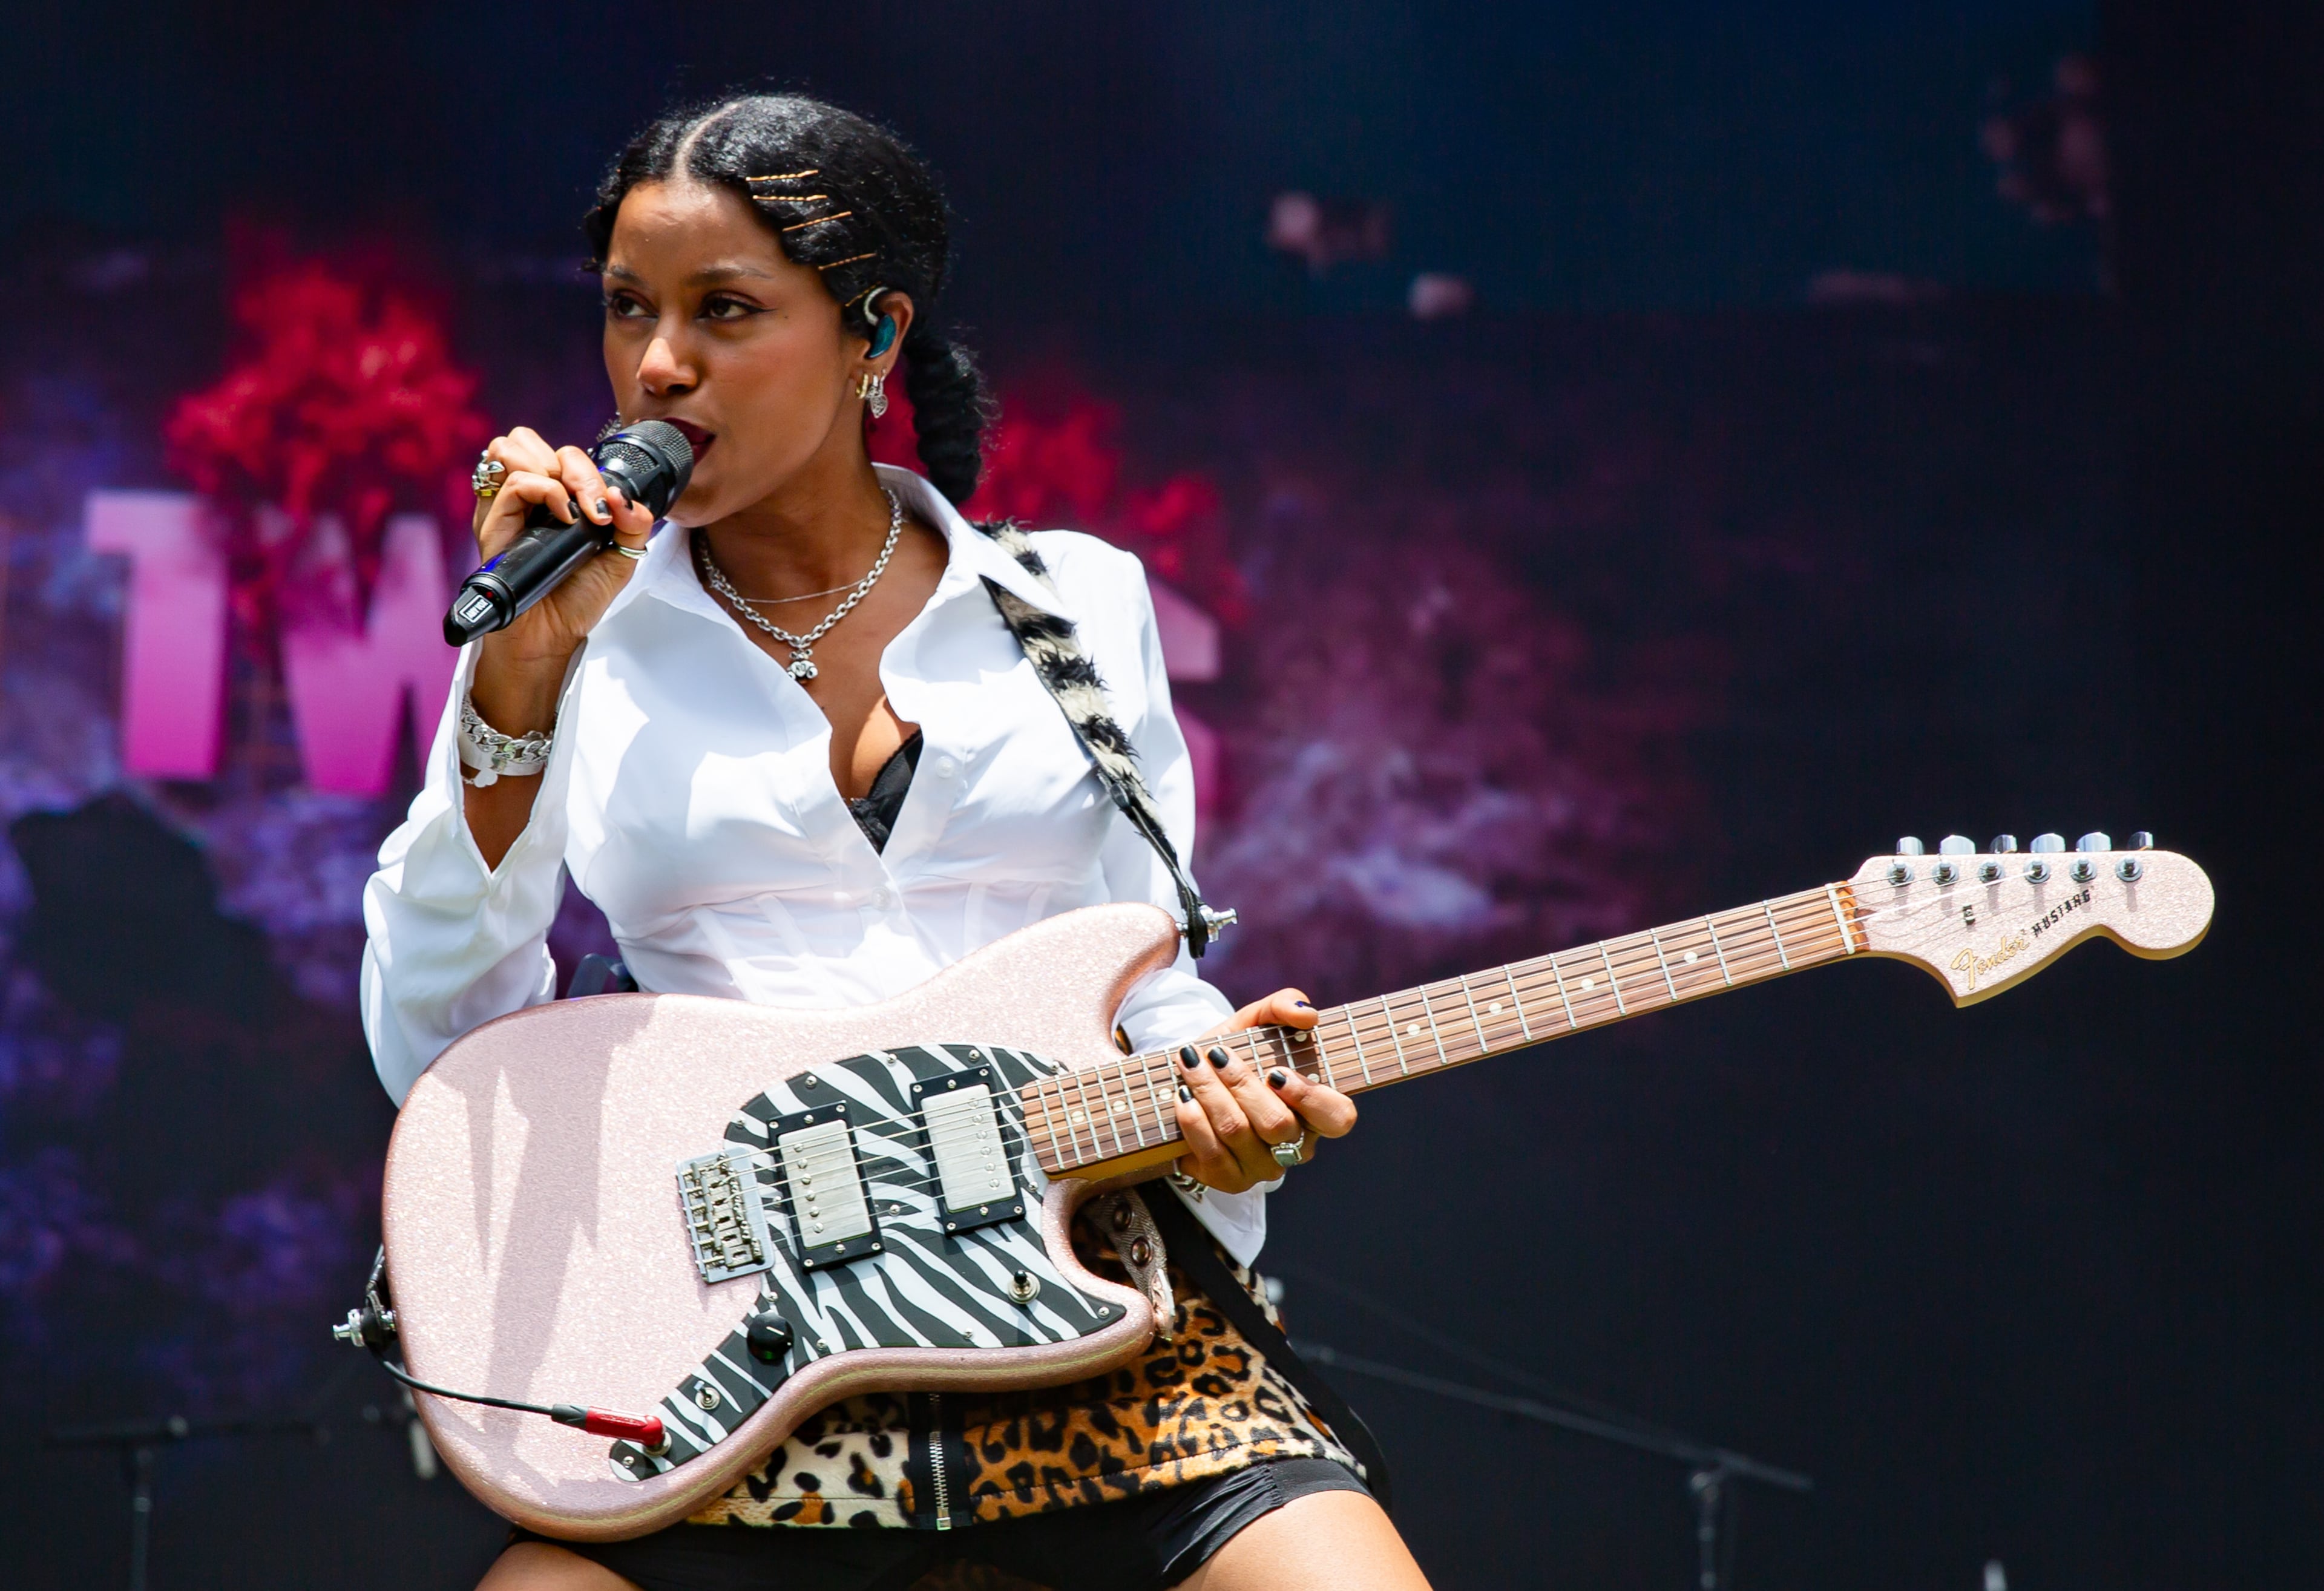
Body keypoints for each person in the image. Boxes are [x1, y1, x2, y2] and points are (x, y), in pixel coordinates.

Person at [360, 93, 1430, 1591]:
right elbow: (443, 1053)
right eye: (626, 309)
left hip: (1087, 1308)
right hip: (746, 1342)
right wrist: (516, 690)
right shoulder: (575, 631)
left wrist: (1213, 1109)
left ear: (873, 336)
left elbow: (1151, 972)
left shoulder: (1071, 606)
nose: (656, 366)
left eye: (724, 311)